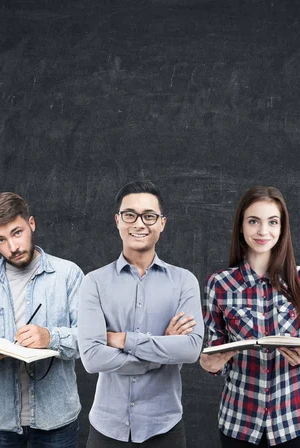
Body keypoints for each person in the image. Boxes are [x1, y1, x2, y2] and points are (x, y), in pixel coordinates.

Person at [78, 180, 203, 448]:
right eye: (129, 215)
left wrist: (122, 339)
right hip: (107, 430)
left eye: (149, 216)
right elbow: (91, 358)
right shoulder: (94, 282)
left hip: (165, 428)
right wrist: (160, 355)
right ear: (118, 221)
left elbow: (191, 349)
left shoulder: (184, 281)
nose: (139, 224)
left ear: (162, 223)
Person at [200, 186, 300, 448]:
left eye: (272, 222)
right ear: (241, 226)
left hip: (295, 419)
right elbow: (214, 348)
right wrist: (209, 364)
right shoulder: (219, 284)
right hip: (239, 421)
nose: (263, 231)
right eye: (253, 221)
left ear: (282, 228)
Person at [0, 192, 83, 447]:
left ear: (31, 224)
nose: (12, 247)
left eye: (17, 233)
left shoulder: (68, 274)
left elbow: (89, 339)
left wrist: (51, 338)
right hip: (0, 421)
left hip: (57, 419)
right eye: (0, 240)